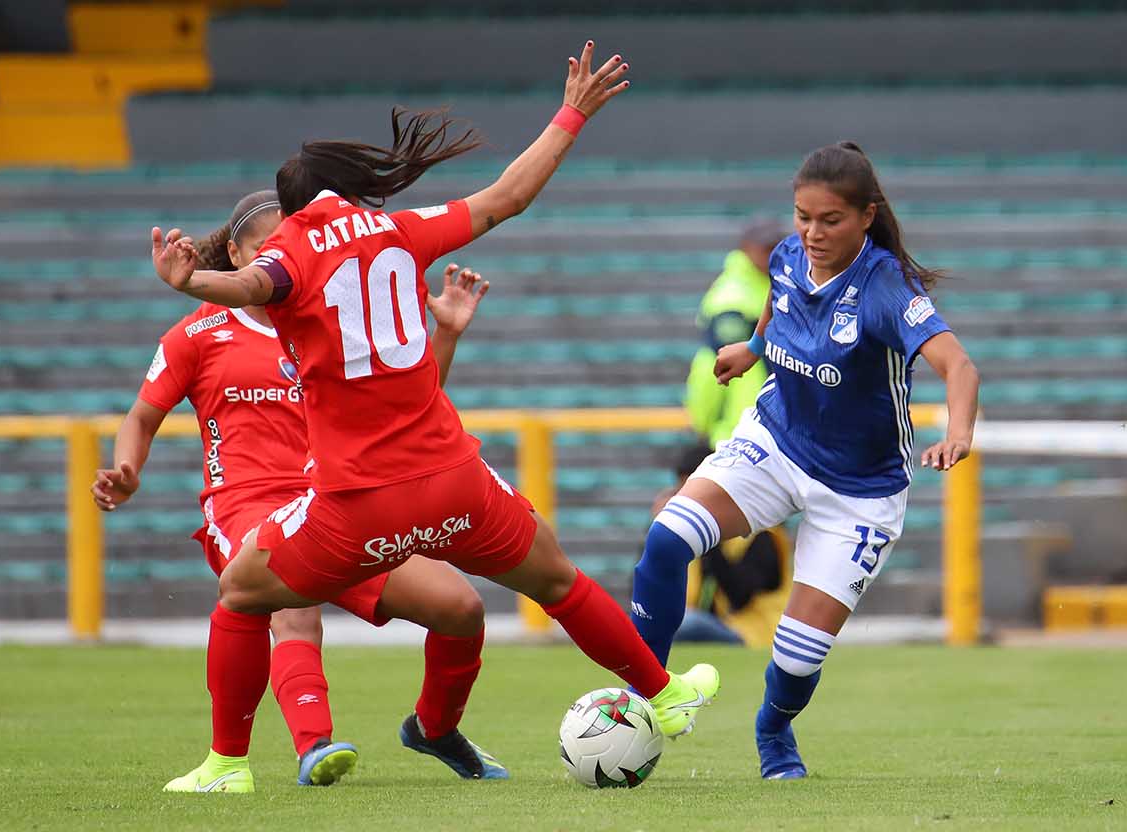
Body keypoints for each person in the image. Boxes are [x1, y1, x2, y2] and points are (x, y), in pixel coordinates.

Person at [145, 42, 719, 795]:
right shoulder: (400, 231)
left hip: (356, 501)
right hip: (456, 484)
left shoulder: (291, 248)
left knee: (245, 596)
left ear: (293, 208)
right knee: (558, 581)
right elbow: (507, 196)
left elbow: (254, 284)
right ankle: (665, 693)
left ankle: (226, 765)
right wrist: (572, 112)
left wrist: (192, 281)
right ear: (351, 192)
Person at [92, 191, 508, 791]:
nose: (280, 263)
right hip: (246, 505)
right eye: (265, 250)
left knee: (461, 609)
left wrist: (447, 334)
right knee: (294, 605)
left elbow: (408, 406)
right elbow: (141, 416)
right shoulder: (197, 333)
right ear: (234, 255)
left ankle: (435, 729)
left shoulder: (331, 323)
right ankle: (304, 749)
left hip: (338, 498)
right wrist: (127, 470)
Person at [629, 141, 980, 780]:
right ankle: (644, 696)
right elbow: (781, 310)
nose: (812, 234)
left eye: (830, 221)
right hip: (776, 443)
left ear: (867, 216)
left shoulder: (885, 288)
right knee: (666, 540)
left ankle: (773, 731)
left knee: (798, 654)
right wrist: (753, 346)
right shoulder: (789, 256)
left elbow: (957, 364)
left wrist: (956, 432)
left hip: (860, 489)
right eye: (802, 217)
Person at [646, 444, 790, 648]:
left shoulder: (762, 533)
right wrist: (659, 531)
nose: (689, 504)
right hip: (724, 625)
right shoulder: (698, 537)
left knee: (681, 623)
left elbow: (740, 595)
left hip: (758, 633)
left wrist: (706, 528)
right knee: (653, 616)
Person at [685, 220, 785, 447]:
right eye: (765, 247)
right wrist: (706, 423)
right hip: (738, 431)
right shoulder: (732, 299)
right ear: (745, 247)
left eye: (776, 246)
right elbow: (717, 369)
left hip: (774, 429)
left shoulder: (779, 283)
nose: (772, 253)